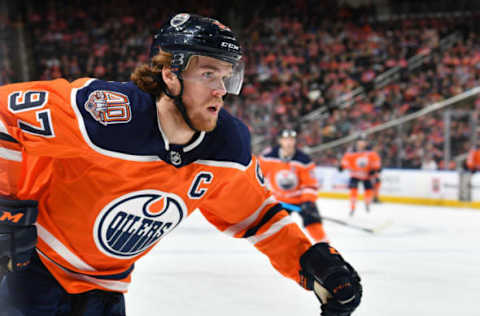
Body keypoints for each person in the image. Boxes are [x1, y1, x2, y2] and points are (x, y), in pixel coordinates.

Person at [0, 13, 361, 316]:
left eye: (227, 76)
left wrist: (311, 262)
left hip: (105, 287)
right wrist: (6, 204)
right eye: (208, 74)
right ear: (170, 75)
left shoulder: (226, 145)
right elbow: (4, 113)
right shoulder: (106, 113)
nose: (221, 89)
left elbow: (256, 215)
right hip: (30, 268)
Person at [259, 129, 328, 243]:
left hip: (301, 200)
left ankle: (327, 250)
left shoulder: (303, 160)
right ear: (280, 141)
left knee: (314, 225)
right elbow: (258, 175)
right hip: (281, 201)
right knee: (276, 230)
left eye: (291, 139)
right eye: (286, 139)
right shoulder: (268, 157)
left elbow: (310, 184)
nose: (289, 142)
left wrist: (308, 202)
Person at [339, 139, 376, 216]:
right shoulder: (351, 152)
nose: (361, 145)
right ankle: (352, 207)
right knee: (353, 190)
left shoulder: (370, 153)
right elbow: (346, 161)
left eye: (363, 143)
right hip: (355, 174)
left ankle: (367, 203)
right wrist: (342, 166)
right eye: (359, 143)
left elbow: (375, 161)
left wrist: (375, 169)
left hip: (366, 175)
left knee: (369, 190)